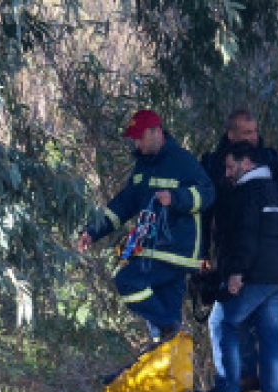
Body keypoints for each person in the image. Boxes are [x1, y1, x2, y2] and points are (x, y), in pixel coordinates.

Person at [77, 109, 215, 343]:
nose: (137, 143)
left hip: (175, 251)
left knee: (127, 281)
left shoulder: (183, 161)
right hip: (154, 250)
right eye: (135, 139)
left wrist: (176, 198)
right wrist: (93, 231)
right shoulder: (143, 167)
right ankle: (169, 356)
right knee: (167, 319)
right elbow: (123, 205)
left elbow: (208, 194)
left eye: (140, 137)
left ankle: (168, 327)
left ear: (156, 132)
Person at [203, 141, 278, 392]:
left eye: (231, 167)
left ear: (247, 162)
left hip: (253, 274)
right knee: (270, 334)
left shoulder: (245, 194)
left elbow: (245, 236)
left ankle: (227, 388)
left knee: (222, 320)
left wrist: (236, 272)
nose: (227, 173)